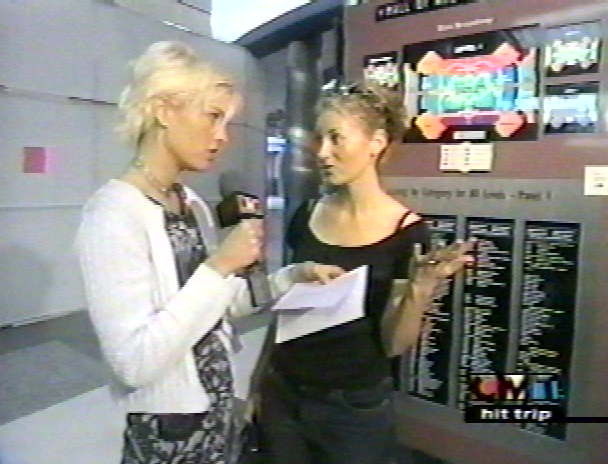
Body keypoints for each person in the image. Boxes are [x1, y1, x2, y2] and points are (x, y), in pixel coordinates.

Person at [76, 41, 341, 464]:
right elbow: (134, 362)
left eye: (227, 122)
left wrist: (293, 276)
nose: (222, 137)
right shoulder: (112, 214)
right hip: (167, 431)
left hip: (217, 411)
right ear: (164, 110)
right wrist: (219, 267)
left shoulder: (193, 204)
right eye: (213, 116)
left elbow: (222, 306)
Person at [258, 83, 472, 464]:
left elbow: (393, 344)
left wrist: (420, 289)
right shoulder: (306, 215)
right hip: (284, 392)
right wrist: (259, 380)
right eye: (319, 138)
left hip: (352, 408)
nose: (322, 152)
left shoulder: (407, 232)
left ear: (376, 143)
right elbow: (286, 311)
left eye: (336, 138)